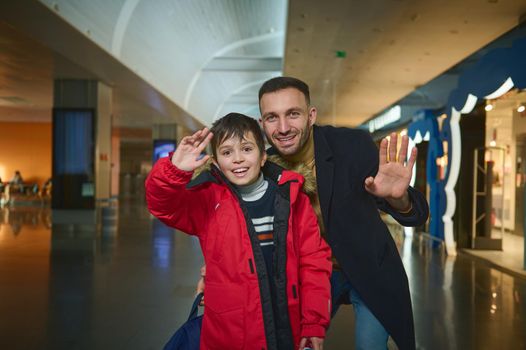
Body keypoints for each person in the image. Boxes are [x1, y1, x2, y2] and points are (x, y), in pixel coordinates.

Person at [257, 77, 430, 350]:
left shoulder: (352, 146)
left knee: (369, 346)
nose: (283, 128)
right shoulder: (264, 169)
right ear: (261, 123)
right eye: (271, 117)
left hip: (370, 267)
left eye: (293, 114)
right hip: (310, 275)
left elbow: (416, 216)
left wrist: (399, 198)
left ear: (311, 115)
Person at [145, 113, 332, 350]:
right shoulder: (207, 201)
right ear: (215, 163)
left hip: (286, 327)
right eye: (226, 152)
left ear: (263, 156)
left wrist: (314, 322)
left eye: (246, 149)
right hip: (229, 333)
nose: (237, 159)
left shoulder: (292, 198)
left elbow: (313, 262)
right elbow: (162, 206)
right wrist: (173, 170)